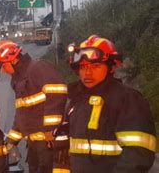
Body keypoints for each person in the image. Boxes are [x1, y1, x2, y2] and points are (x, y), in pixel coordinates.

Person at [65, 35, 156, 172]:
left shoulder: (127, 99)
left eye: (95, 66)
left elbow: (137, 156)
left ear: (111, 67)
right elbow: (65, 153)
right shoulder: (76, 101)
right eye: (83, 67)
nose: (87, 73)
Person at [0, 40, 69, 173]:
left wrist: (51, 130)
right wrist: (11, 141)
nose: (3, 71)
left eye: (3, 67)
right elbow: (21, 115)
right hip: (34, 145)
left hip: (49, 144)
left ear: (12, 60)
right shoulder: (18, 79)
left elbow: (57, 94)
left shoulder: (39, 68)